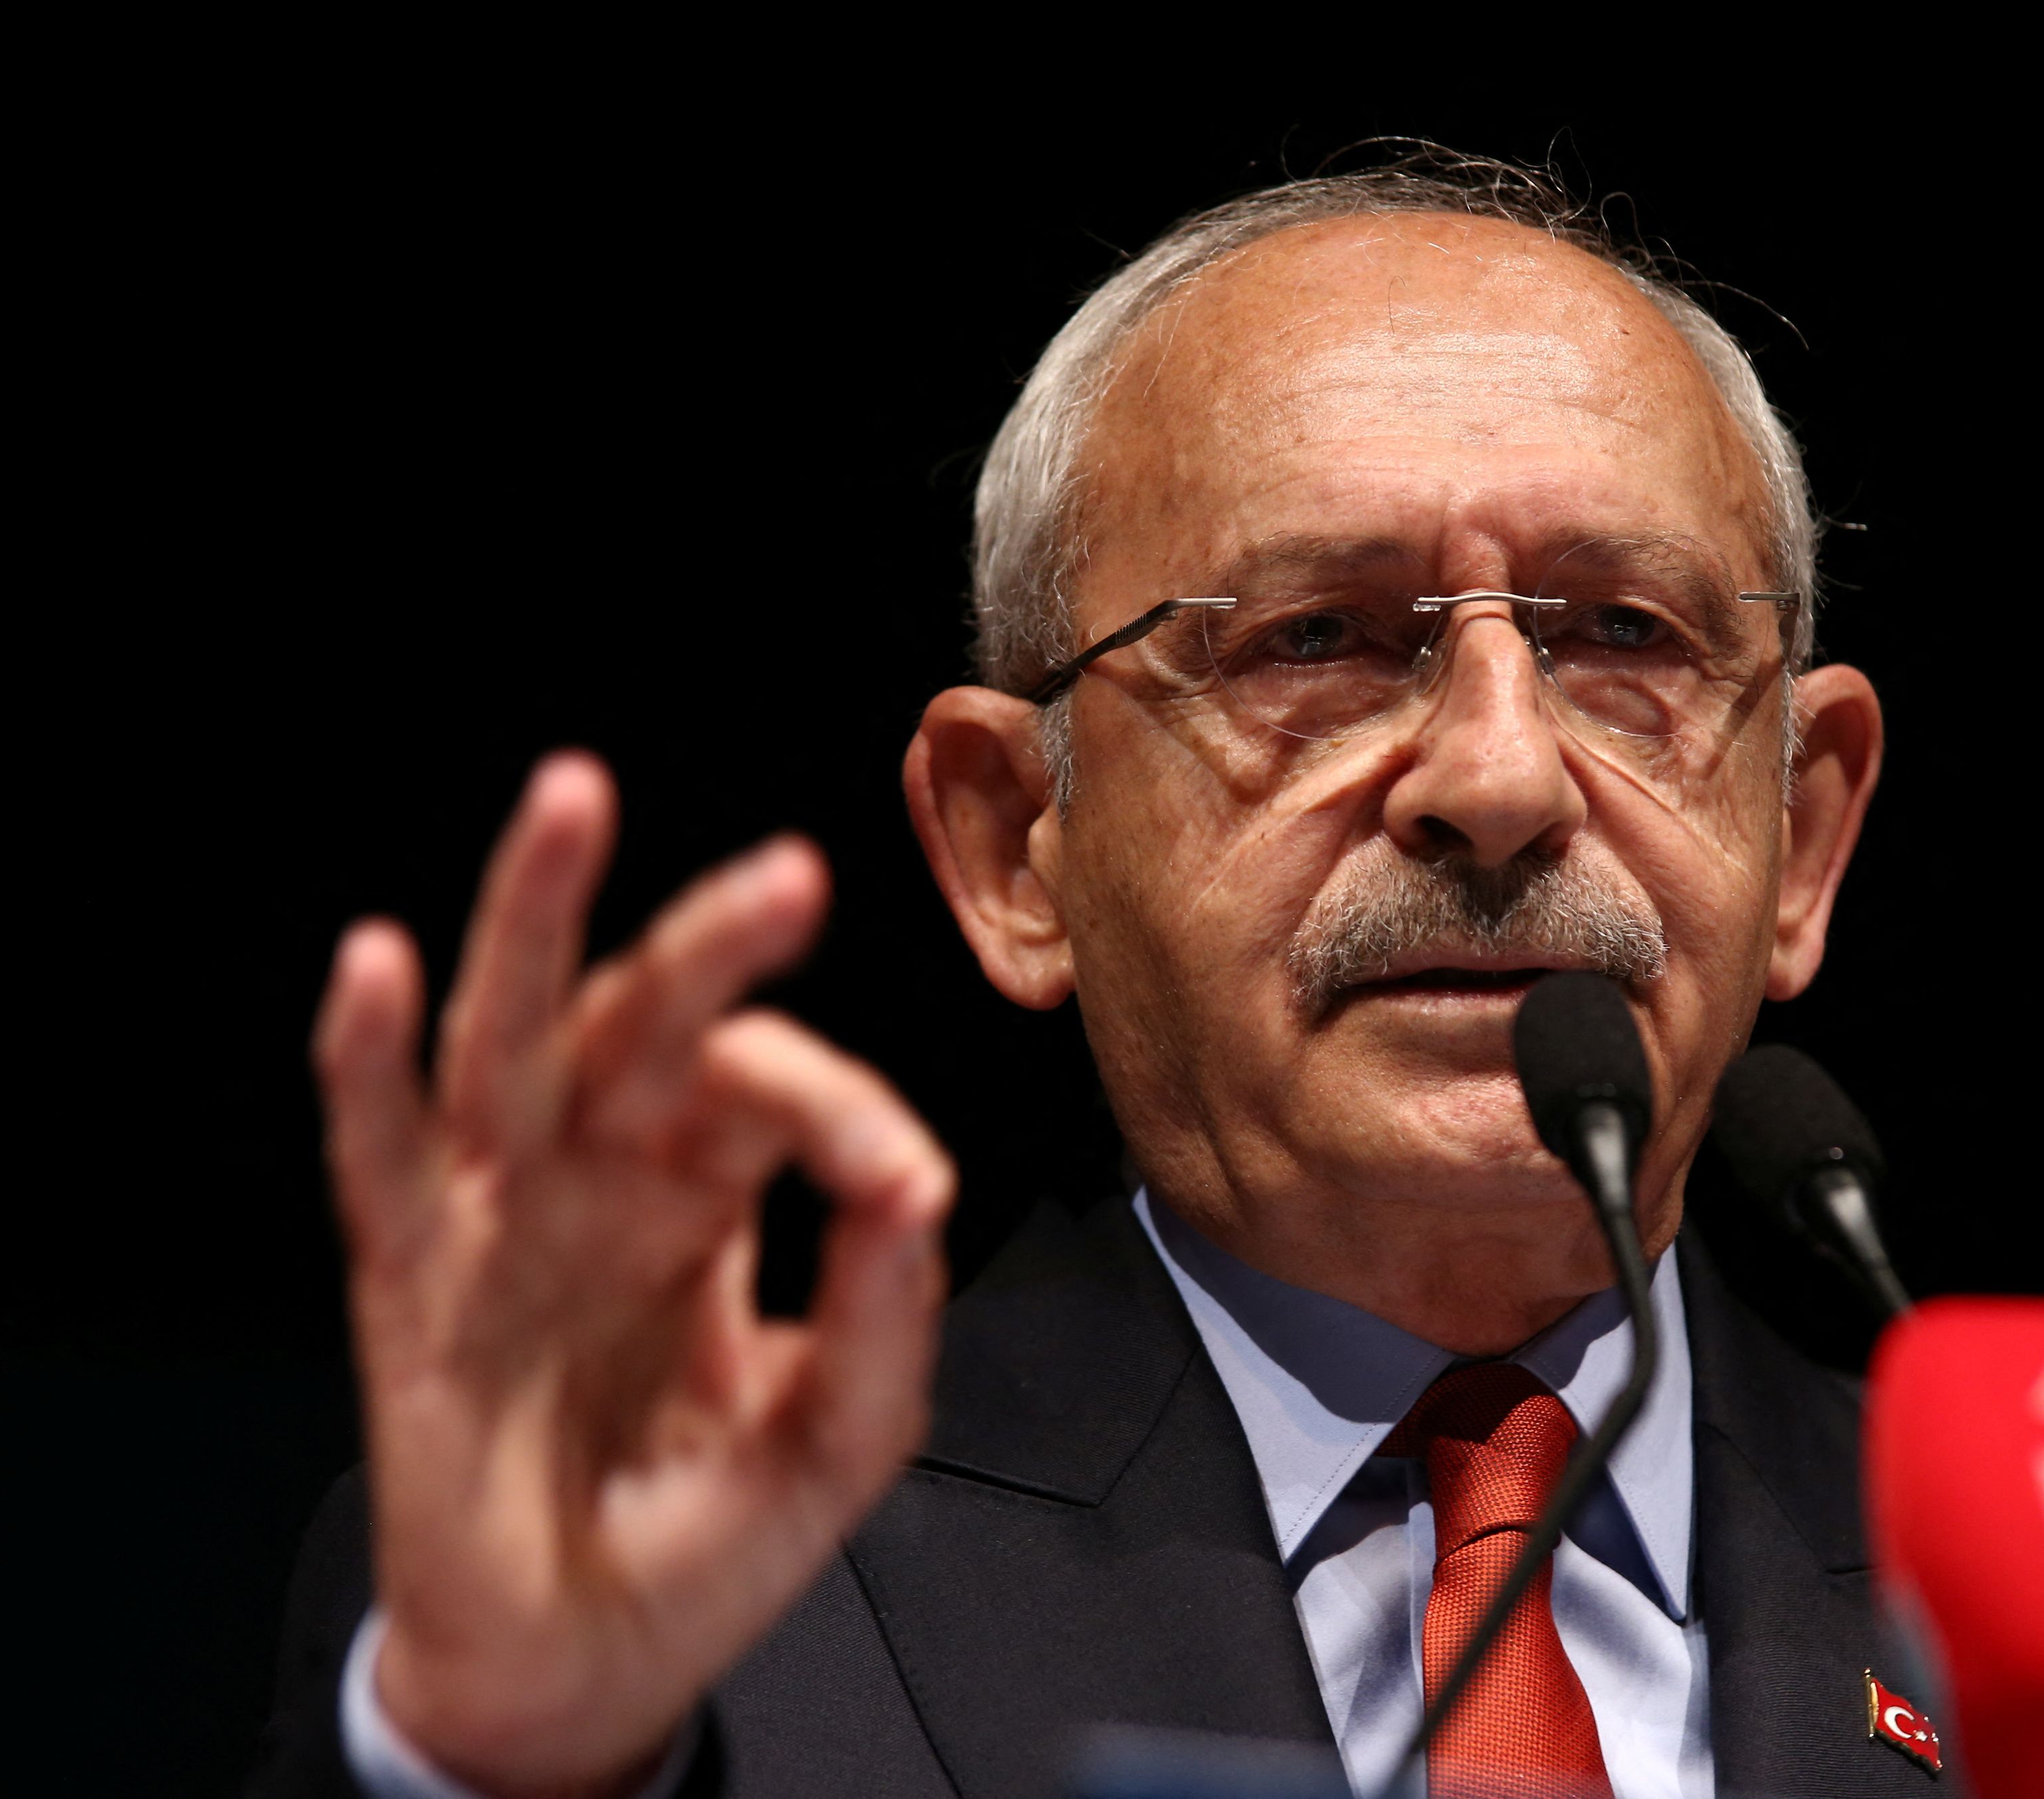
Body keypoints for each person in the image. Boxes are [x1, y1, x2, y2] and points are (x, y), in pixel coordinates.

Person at [254, 153, 1903, 1799]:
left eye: (1622, 634)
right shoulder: (687, 1603)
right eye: (1316, 638)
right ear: (1012, 845)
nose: (1495, 777)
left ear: (1802, 833)